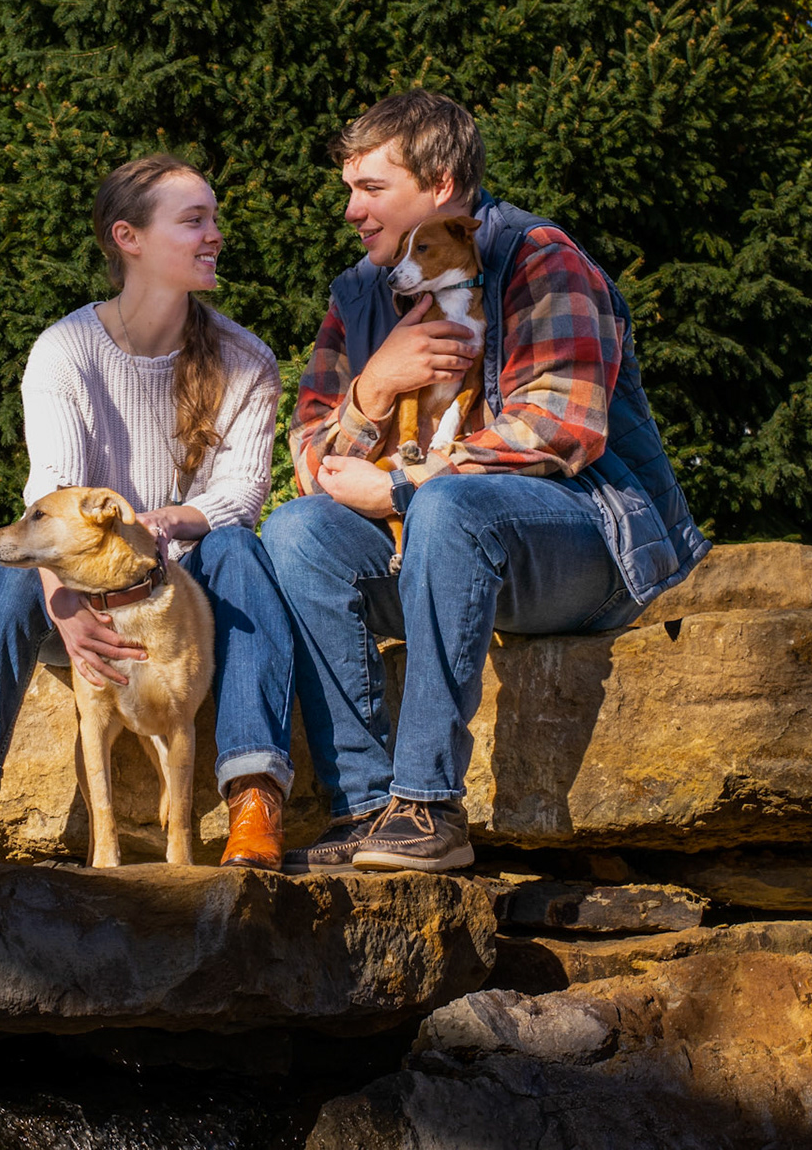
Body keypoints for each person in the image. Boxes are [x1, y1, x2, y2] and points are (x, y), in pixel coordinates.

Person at [262, 90, 710, 874]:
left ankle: (428, 805)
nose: (351, 211)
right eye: (349, 191)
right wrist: (373, 388)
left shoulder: (540, 257)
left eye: (371, 189)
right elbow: (310, 463)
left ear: (439, 183)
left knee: (452, 504)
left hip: (581, 542)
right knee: (294, 534)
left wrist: (405, 490)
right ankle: (367, 809)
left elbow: (558, 426)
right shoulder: (360, 294)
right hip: (439, 550)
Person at [0, 153, 298, 869]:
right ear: (128, 238)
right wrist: (64, 602)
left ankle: (254, 798)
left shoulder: (246, 359)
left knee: (244, 554)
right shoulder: (65, 352)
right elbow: (54, 489)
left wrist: (167, 523)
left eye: (214, 218)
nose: (215, 234)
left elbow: (242, 495)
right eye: (195, 220)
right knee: (5, 585)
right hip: (86, 582)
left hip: (182, 588)